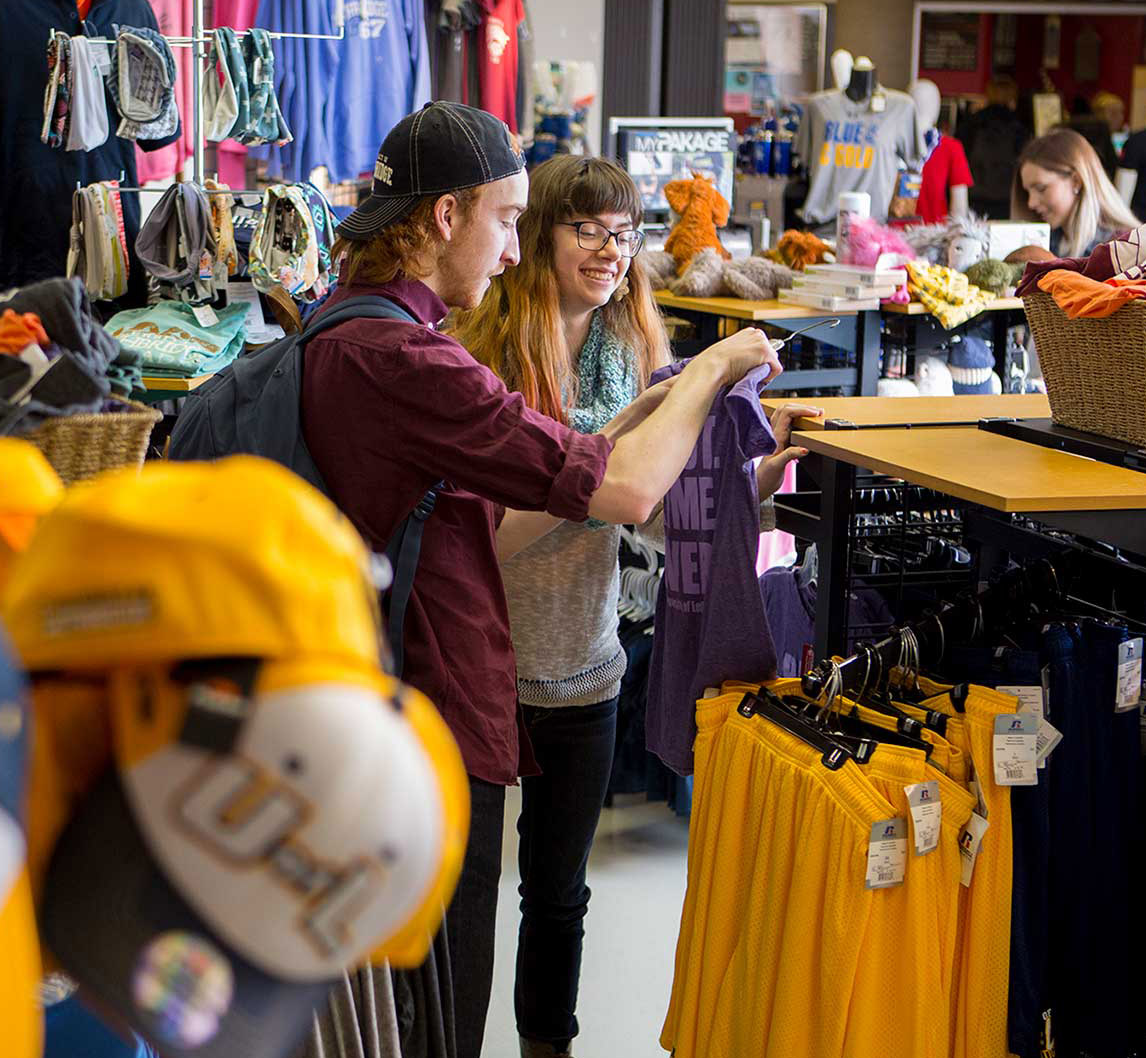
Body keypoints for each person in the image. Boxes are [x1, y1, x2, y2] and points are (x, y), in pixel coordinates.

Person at [302, 101, 779, 1058]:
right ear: (447, 218)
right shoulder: (421, 360)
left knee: (479, 928)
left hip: (451, 678)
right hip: (439, 692)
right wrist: (711, 367)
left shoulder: (345, 331)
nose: (517, 247)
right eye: (514, 219)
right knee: (443, 967)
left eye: (620, 233)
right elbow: (627, 488)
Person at [447, 155, 813, 1058]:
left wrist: (768, 473)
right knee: (461, 897)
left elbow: (662, 515)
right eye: (588, 230)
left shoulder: (637, 353)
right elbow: (491, 538)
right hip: (481, 665)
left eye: (625, 233)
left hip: (587, 661)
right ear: (539, 233)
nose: (611, 251)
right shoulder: (478, 353)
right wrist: (617, 442)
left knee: (559, 893)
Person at [1011, 128, 1140, 259]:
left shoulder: (1123, 248)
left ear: (1076, 181)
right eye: (1027, 192)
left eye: (1041, 188)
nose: (1031, 203)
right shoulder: (1047, 242)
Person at [958, 77, 1031, 220]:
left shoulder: (971, 123)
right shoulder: (1019, 127)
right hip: (1006, 198)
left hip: (975, 195)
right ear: (1012, 98)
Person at [1060, 95, 1120, 176]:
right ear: (1099, 113)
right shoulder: (1099, 132)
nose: (1119, 117)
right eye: (1113, 113)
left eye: (1121, 112)